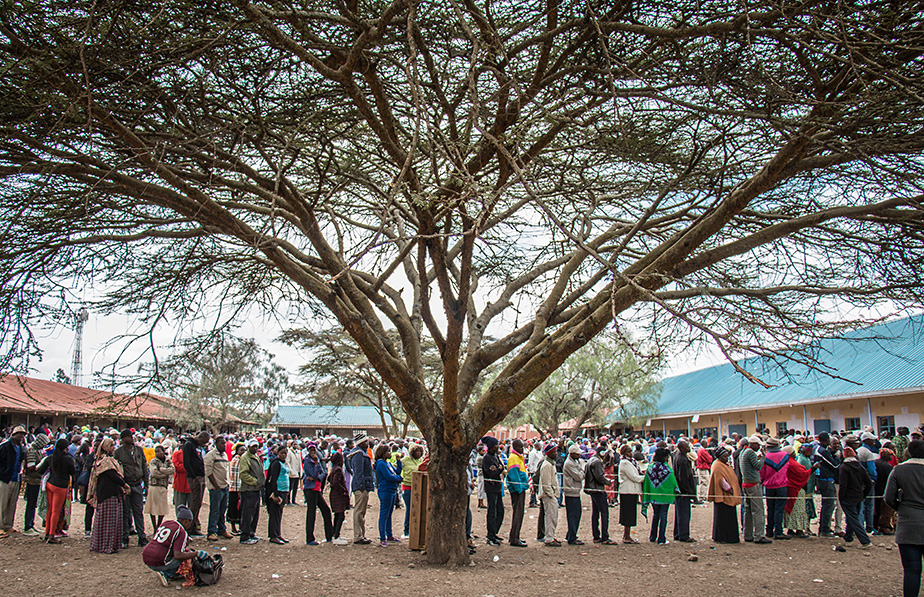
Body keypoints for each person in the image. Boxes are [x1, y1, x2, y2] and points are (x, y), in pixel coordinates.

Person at [884, 439, 924, 597]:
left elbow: (888, 498)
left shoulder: (898, 470)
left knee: (911, 570)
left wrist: (901, 508)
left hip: (908, 524)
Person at [142, 505, 208, 587]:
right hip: (159, 560)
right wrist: (196, 553)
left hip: (146, 557)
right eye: (190, 522)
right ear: (186, 521)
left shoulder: (167, 523)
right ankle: (166, 574)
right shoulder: (181, 531)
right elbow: (178, 555)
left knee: (182, 553)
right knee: (186, 557)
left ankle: (166, 572)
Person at [89, 437, 130, 553]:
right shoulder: (105, 461)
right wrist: (124, 485)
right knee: (108, 522)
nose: (114, 448)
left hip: (113, 493)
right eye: (112, 446)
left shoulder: (109, 460)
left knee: (112, 521)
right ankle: (105, 545)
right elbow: (112, 475)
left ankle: (110, 545)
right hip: (108, 494)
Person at [36, 438, 77, 543]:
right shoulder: (68, 459)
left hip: (50, 484)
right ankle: (51, 535)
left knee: (50, 510)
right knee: (56, 511)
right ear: (65, 448)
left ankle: (47, 532)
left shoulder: (50, 458)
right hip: (61, 486)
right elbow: (73, 472)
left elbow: (40, 470)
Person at [114, 429, 149, 547]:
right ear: (123, 439)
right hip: (126, 485)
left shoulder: (139, 450)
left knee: (138, 511)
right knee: (125, 512)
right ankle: (124, 537)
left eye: (132, 436)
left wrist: (146, 484)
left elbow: (144, 466)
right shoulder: (118, 452)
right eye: (129, 436)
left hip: (137, 484)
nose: (132, 438)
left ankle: (142, 536)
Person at [839, 446, 873, 549]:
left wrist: (841, 497)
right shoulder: (860, 467)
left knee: (853, 519)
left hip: (848, 497)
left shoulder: (844, 468)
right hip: (858, 496)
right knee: (852, 518)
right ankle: (848, 538)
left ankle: (865, 541)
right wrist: (863, 494)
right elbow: (868, 483)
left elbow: (843, 485)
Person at [642, 447, 677, 545]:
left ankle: (653, 536)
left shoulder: (650, 468)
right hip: (664, 497)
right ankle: (661, 538)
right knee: (663, 517)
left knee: (655, 515)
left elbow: (647, 481)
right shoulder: (667, 469)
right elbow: (672, 482)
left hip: (653, 496)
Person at [707, 445, 741, 543]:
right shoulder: (717, 465)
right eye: (725, 456)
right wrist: (729, 489)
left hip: (729, 495)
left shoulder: (724, 464)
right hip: (724, 495)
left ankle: (731, 537)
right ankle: (723, 537)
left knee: (730, 517)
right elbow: (720, 480)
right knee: (723, 518)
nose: (727, 458)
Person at [760, 436, 790, 540]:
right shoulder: (785, 455)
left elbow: (762, 473)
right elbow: (787, 468)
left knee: (770, 509)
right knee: (779, 509)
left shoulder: (765, 457)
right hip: (782, 485)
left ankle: (769, 531)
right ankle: (779, 531)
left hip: (769, 486)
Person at [0, 426, 27, 538]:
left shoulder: (20, 448)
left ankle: (8, 525)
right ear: (14, 434)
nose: (21, 436)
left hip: (16, 477)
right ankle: (0, 526)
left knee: (12, 504)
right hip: (5, 478)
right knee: (2, 504)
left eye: (22, 434)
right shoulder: (5, 447)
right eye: (19, 434)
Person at [373, 443, 402, 547]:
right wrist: (399, 479)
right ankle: (382, 537)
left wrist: (399, 462)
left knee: (389, 513)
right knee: (384, 513)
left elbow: (397, 472)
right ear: (383, 453)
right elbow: (389, 477)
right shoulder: (381, 464)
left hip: (392, 489)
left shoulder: (388, 463)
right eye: (388, 451)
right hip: (385, 490)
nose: (390, 453)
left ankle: (389, 535)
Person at [584, 443, 614, 544]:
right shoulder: (597, 462)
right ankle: (605, 536)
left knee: (595, 513)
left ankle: (596, 535)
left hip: (592, 489)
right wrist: (608, 482)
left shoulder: (592, 460)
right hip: (598, 489)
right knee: (604, 513)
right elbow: (599, 477)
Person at [22, 433, 50, 536]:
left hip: (37, 480)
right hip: (32, 480)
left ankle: (31, 524)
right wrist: (42, 465)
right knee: (31, 503)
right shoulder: (31, 451)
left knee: (33, 504)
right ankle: (27, 526)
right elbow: (30, 466)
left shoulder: (38, 450)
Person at [204, 435, 231, 542]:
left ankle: (222, 529)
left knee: (222, 509)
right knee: (215, 510)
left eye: (225, 443)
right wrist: (215, 485)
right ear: (216, 444)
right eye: (221, 443)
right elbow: (209, 472)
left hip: (225, 485)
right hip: (216, 487)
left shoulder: (224, 455)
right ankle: (211, 531)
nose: (224, 445)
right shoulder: (210, 455)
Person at [348, 434, 374, 545]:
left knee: (361, 511)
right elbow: (358, 472)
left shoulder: (360, 453)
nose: (367, 444)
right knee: (359, 511)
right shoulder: (358, 455)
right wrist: (361, 486)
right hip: (361, 486)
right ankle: (358, 536)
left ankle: (361, 534)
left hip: (363, 485)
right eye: (365, 442)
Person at [182, 431, 210, 537]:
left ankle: (194, 525)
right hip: (194, 477)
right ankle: (189, 528)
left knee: (198, 502)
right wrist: (193, 476)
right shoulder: (189, 445)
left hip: (200, 476)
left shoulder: (196, 446)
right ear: (200, 437)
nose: (203, 445)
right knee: (194, 502)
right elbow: (186, 462)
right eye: (203, 442)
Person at [237, 439, 265, 545]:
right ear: (249, 447)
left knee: (255, 513)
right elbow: (243, 474)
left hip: (256, 489)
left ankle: (251, 533)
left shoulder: (256, 457)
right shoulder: (245, 458)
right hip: (248, 489)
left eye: (256, 446)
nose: (255, 448)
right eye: (253, 446)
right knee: (247, 513)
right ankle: (245, 536)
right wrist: (255, 482)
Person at [813, 432, 840, 537]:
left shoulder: (819, 450)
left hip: (822, 479)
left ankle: (824, 528)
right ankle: (825, 529)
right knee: (829, 505)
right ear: (826, 440)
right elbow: (834, 465)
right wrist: (837, 457)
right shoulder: (823, 451)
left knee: (826, 505)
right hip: (826, 480)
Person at [782, 445, 812, 538]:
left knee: (790, 509)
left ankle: (790, 528)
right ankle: (799, 530)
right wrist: (812, 469)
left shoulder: (787, 462)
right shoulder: (793, 463)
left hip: (790, 488)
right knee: (798, 509)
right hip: (796, 488)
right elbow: (802, 474)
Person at [617, 443, 644, 544]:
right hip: (627, 491)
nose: (631, 453)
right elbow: (634, 477)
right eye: (628, 452)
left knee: (630, 514)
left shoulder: (632, 462)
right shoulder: (624, 463)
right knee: (628, 514)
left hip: (632, 491)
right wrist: (646, 477)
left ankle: (627, 535)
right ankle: (627, 536)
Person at [144, 444, 174, 533]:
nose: (157, 453)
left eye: (159, 451)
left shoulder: (168, 460)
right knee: (152, 508)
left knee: (162, 508)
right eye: (156, 452)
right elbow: (154, 473)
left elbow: (172, 470)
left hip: (163, 487)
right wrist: (165, 473)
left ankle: (158, 525)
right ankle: (155, 527)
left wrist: (161, 470)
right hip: (154, 486)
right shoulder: (153, 461)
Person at [481, 436, 505, 545]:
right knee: (492, 512)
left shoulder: (495, 456)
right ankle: (490, 536)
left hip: (498, 487)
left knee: (500, 511)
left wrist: (499, 469)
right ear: (491, 446)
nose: (497, 446)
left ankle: (494, 531)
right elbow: (492, 473)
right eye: (495, 445)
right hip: (491, 488)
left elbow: (501, 467)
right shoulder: (487, 458)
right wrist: (499, 469)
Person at [505, 438, 529, 547]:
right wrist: (520, 489)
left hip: (521, 488)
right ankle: (514, 538)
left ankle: (515, 536)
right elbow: (514, 476)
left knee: (519, 514)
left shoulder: (518, 457)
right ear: (515, 447)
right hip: (517, 490)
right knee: (517, 514)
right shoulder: (514, 458)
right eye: (520, 447)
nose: (522, 449)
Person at [672, 440, 696, 543]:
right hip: (683, 491)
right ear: (682, 448)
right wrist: (687, 491)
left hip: (680, 491)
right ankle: (684, 535)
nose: (689, 448)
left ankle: (678, 533)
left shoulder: (679, 456)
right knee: (684, 514)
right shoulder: (682, 459)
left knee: (679, 513)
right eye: (686, 446)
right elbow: (683, 477)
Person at [265, 445, 290, 545]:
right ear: (278, 453)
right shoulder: (276, 463)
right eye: (282, 453)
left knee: (279, 514)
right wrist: (275, 494)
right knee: (274, 514)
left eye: (285, 453)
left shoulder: (284, 463)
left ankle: (278, 533)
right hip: (277, 491)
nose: (283, 455)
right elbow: (273, 479)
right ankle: (273, 536)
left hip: (284, 490)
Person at [562, 443, 585, 545]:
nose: (579, 456)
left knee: (577, 514)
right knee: (573, 515)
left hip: (575, 491)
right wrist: (582, 472)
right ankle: (572, 536)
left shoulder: (575, 462)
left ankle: (571, 533)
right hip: (571, 492)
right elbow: (579, 476)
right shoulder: (569, 464)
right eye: (577, 454)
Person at [538, 442, 561, 546]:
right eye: (554, 452)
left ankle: (551, 535)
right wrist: (552, 494)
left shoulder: (551, 463)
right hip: (548, 496)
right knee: (550, 517)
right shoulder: (546, 465)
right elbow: (546, 483)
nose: (556, 453)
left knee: (553, 517)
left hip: (552, 494)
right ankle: (549, 538)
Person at [400, 444, 424, 539]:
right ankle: (406, 531)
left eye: (419, 451)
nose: (418, 453)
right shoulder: (405, 460)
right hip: (407, 486)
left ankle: (416, 530)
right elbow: (396, 467)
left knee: (418, 509)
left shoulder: (421, 461)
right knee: (410, 509)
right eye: (416, 451)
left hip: (418, 486)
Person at [857, 431, 879, 532]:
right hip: (868, 481)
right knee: (869, 505)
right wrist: (873, 479)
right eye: (872, 440)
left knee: (860, 506)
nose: (874, 442)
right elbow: (871, 469)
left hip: (859, 481)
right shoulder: (868, 453)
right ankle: (869, 527)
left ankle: (860, 527)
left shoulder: (858, 451)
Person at [328, 451, 350, 545]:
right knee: (340, 515)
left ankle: (335, 534)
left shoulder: (334, 468)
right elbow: (335, 482)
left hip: (334, 494)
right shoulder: (338, 470)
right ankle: (336, 535)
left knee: (338, 514)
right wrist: (343, 491)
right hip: (338, 495)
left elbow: (329, 479)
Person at [874, 448, 896, 535]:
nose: (891, 457)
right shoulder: (888, 466)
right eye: (890, 455)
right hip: (884, 490)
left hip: (875, 490)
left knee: (876, 509)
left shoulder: (875, 462)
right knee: (886, 510)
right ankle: (884, 527)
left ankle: (875, 526)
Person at [226, 443, 246, 536]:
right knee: (234, 508)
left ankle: (238, 528)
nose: (243, 452)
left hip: (238, 487)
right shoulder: (236, 460)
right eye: (241, 450)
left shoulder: (241, 459)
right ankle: (233, 528)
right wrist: (238, 490)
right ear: (237, 451)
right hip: (235, 488)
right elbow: (235, 476)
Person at [171, 444, 190, 510]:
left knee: (192, 509)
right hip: (179, 484)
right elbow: (176, 467)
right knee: (179, 508)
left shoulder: (194, 453)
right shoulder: (177, 454)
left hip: (191, 485)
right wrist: (189, 467)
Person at [285, 440, 302, 505]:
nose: (295, 446)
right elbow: (287, 462)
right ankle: (288, 501)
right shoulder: (289, 452)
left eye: (296, 444)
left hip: (297, 472)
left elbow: (300, 462)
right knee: (290, 488)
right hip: (291, 473)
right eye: (294, 444)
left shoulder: (298, 452)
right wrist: (290, 470)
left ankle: (293, 500)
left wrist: (301, 471)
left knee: (295, 488)